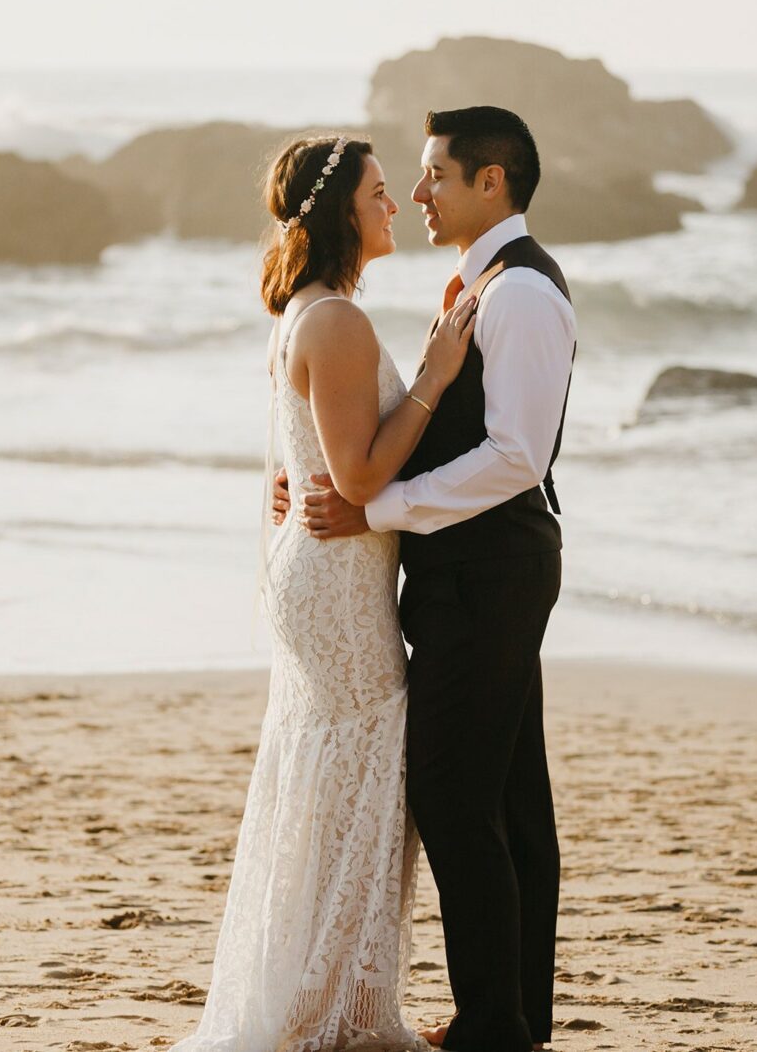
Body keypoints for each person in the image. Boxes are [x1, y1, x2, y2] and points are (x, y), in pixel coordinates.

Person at [276, 107, 577, 1052]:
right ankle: (513, 1017)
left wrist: (378, 508)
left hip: (489, 573)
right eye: (403, 181)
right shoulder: (478, 282)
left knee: (454, 796)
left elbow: (516, 456)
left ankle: (494, 1023)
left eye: (435, 175)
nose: (417, 194)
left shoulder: (519, 293)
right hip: (469, 576)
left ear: (491, 181)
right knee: (508, 798)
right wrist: (334, 468)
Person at [169, 134, 476, 1052]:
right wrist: (434, 375)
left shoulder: (308, 310)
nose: (397, 204)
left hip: (324, 573)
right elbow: (357, 477)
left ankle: (329, 999)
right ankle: (324, 1013)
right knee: (365, 789)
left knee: (337, 790)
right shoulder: (338, 322)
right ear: (342, 209)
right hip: (337, 585)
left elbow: (309, 463)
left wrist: (312, 490)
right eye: (383, 192)